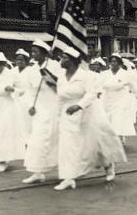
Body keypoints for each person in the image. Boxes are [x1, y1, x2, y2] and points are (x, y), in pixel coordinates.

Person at [54, 47, 126, 191]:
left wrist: (79, 105)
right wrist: (58, 115)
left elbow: (92, 93)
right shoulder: (61, 77)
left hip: (87, 113)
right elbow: (60, 97)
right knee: (68, 146)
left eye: (65, 58)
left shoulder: (86, 76)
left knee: (95, 144)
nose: (61, 61)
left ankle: (108, 166)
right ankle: (69, 178)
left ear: (73, 61)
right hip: (67, 115)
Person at [22, 40, 61, 184]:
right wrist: (30, 105)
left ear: (44, 53)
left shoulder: (55, 67)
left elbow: (60, 86)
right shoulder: (31, 69)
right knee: (36, 140)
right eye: (32, 51)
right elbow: (29, 90)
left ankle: (67, 170)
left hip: (54, 107)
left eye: (36, 51)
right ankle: (37, 172)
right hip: (38, 110)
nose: (33, 54)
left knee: (57, 140)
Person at [101, 54, 137, 145]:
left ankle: (119, 137)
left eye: (115, 62)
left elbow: (132, 85)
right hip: (108, 99)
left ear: (120, 63)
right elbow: (99, 85)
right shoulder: (104, 74)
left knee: (118, 119)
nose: (113, 63)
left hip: (121, 99)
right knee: (110, 119)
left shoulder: (125, 74)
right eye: (111, 61)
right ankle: (117, 136)